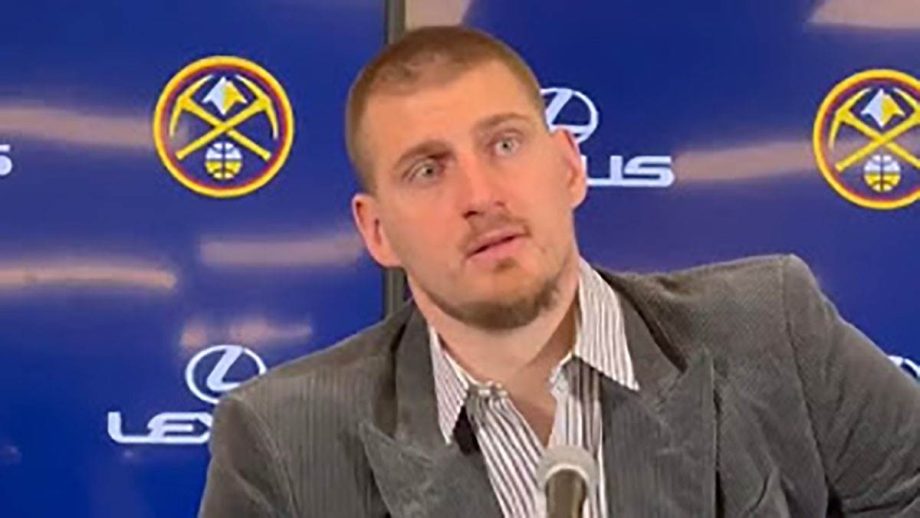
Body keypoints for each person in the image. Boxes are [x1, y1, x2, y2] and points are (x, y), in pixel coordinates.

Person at [198, 26, 920, 517]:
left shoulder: (772, 329)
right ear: (377, 230)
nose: (481, 195)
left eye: (505, 144)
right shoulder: (283, 439)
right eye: (428, 169)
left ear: (569, 166)